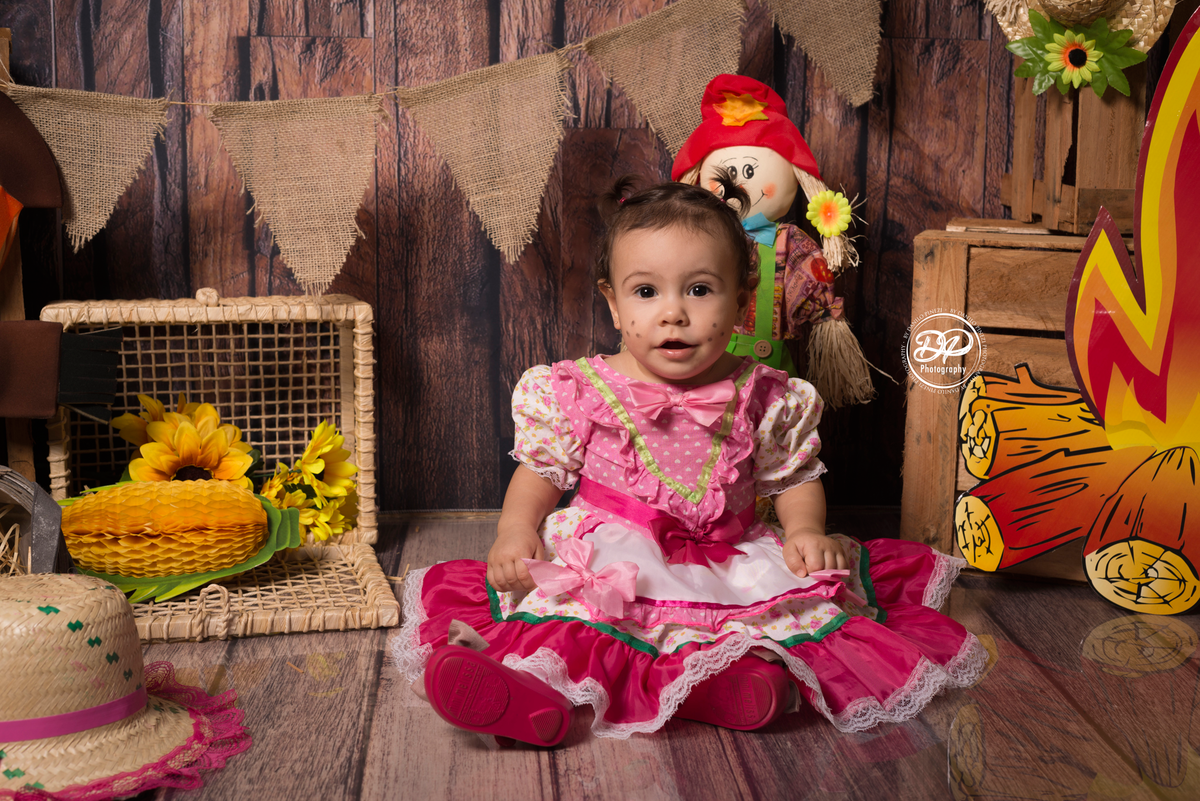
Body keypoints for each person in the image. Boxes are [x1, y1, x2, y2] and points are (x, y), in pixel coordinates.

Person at [390, 174, 986, 746]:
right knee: (574, 623)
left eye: (699, 290)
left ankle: (715, 688)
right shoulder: (578, 390)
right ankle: (526, 691)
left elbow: (793, 477)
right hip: (610, 554)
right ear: (613, 304)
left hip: (729, 556)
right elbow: (543, 471)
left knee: (761, 626)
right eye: (646, 292)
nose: (673, 312)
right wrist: (515, 529)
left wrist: (806, 530)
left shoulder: (767, 394)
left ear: (741, 301)